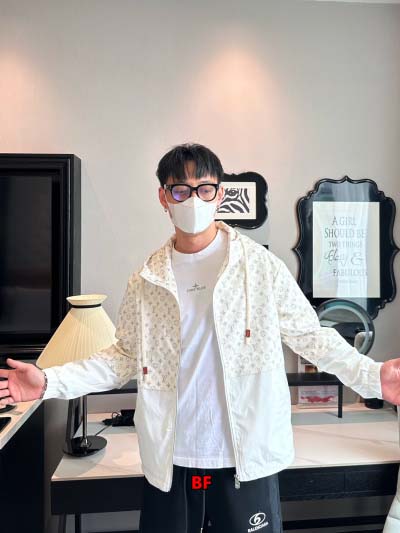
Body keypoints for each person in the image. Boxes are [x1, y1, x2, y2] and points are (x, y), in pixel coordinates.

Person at [1, 143, 400, 533]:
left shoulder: (259, 268)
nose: (193, 199)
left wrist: (371, 375)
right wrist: (49, 381)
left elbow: (311, 337)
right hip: (171, 460)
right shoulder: (146, 279)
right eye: (181, 190)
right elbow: (121, 358)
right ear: (163, 197)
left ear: (219, 194)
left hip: (245, 459)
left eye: (204, 188)